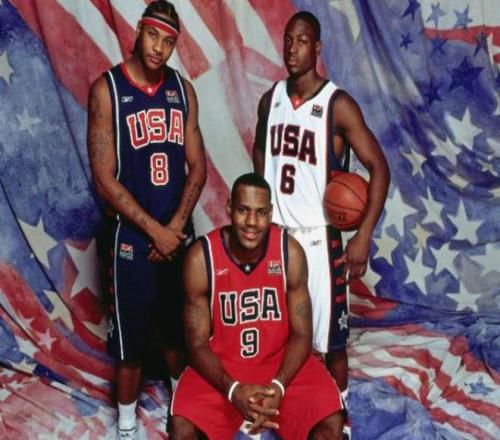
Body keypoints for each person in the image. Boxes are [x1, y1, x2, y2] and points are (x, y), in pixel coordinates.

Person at [253, 10, 390, 435]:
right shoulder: (270, 99)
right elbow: (259, 151)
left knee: (331, 344)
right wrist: (264, 206)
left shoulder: (337, 104)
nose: (292, 49)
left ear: (317, 48)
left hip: (318, 241)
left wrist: (362, 234)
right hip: (277, 239)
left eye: (302, 41)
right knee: (277, 336)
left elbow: (379, 167)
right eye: (288, 40)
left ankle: (339, 418)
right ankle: (283, 409)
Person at [87, 1, 206, 438]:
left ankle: (181, 409)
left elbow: (199, 166)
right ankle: (125, 426)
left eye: (169, 41)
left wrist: (174, 229)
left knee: (179, 334)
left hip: (176, 230)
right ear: (138, 31)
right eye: (153, 35)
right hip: (131, 236)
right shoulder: (107, 90)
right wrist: (156, 232)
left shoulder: (182, 90)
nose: (159, 47)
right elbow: (104, 179)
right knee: (131, 344)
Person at [170, 173, 344, 440]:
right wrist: (232, 390)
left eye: (261, 213)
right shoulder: (200, 258)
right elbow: (196, 344)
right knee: (181, 429)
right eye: (243, 210)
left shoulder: (290, 252)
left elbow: (302, 335)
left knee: (331, 425)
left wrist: (279, 386)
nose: (252, 222)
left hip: (281, 363)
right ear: (229, 208)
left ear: (270, 213)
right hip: (223, 365)